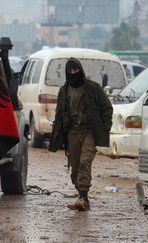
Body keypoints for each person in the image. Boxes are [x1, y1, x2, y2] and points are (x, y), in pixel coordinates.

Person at [49, 58, 113, 211]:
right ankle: (81, 195)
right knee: (75, 166)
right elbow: (59, 115)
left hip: (89, 132)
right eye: (70, 71)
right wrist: (58, 137)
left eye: (75, 70)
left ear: (80, 71)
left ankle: (83, 197)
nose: (73, 73)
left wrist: (104, 128)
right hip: (72, 133)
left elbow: (107, 108)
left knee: (85, 161)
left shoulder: (92, 88)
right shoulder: (64, 91)